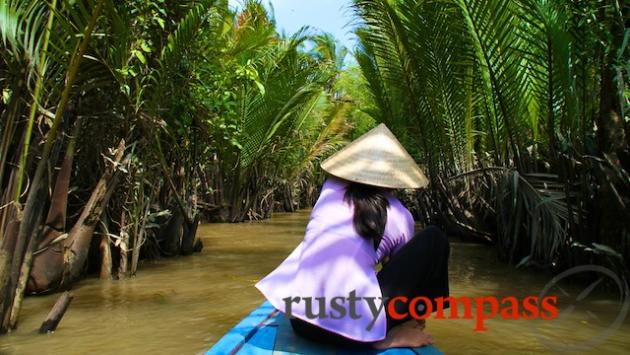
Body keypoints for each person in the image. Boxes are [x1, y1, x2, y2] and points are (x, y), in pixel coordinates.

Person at [255, 124, 450, 349]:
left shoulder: (329, 190)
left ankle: (378, 328)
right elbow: (405, 279)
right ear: (395, 179)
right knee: (434, 238)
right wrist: (413, 319)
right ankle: (386, 338)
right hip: (353, 335)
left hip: (300, 320)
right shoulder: (400, 215)